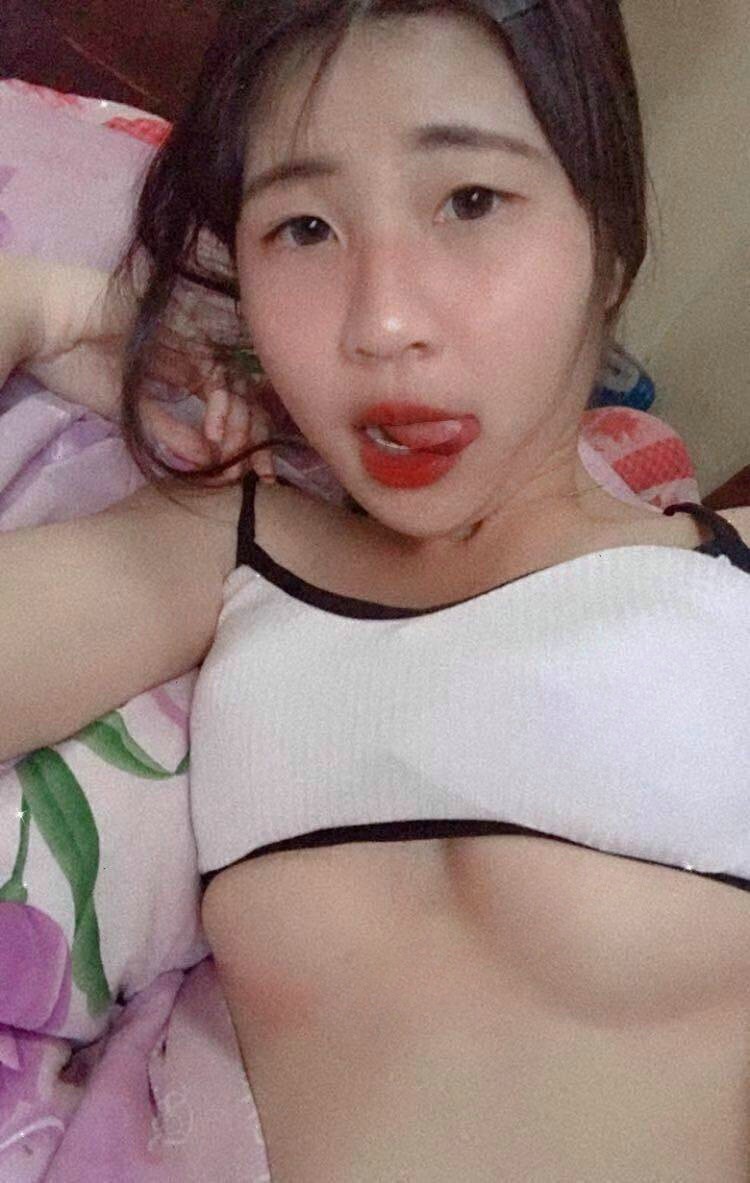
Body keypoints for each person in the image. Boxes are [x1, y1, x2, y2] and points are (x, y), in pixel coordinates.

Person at [2, 1, 750, 1178]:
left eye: (471, 201)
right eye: (303, 227)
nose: (383, 321)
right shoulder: (230, 548)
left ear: (608, 239)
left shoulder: (726, 591)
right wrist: (50, 311)